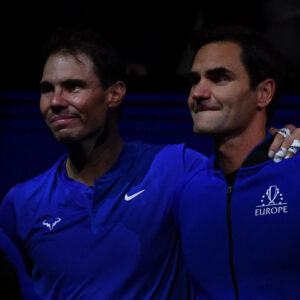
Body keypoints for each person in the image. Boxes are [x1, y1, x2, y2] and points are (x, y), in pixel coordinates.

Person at [0, 26, 297, 300]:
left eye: (73, 86)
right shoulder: (19, 204)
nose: (55, 101)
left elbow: (243, 171)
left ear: (115, 93)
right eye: (46, 89)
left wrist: (288, 137)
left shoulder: (177, 169)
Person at [173, 23, 300, 299]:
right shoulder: (186, 190)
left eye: (219, 78)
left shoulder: (296, 170)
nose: (198, 93)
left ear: (264, 93)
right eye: (194, 80)